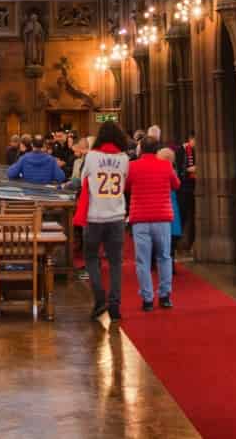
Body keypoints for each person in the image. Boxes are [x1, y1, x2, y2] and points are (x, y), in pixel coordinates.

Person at [74, 120, 130, 322]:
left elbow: (83, 182)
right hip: (116, 216)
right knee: (115, 262)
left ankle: (99, 298)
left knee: (91, 259)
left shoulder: (91, 156)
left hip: (95, 216)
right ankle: (115, 305)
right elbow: (125, 181)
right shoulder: (124, 159)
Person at [129, 139, 180, 312]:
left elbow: (126, 186)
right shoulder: (165, 166)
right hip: (162, 218)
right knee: (164, 257)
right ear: (157, 149)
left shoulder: (133, 166)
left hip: (140, 219)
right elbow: (176, 184)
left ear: (141, 149)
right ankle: (165, 297)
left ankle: (147, 299)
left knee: (142, 261)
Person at [178, 135, 198, 257]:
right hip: (184, 187)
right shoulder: (181, 150)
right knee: (183, 216)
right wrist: (189, 170)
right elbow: (180, 169)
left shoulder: (196, 150)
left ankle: (191, 242)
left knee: (194, 216)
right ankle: (181, 242)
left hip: (194, 187)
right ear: (190, 139)